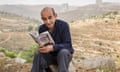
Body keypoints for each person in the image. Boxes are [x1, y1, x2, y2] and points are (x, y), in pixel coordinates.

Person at [31, 7, 74, 72]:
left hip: (63, 57)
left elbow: (68, 45)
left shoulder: (64, 26)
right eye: (45, 19)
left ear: (55, 16)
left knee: (63, 52)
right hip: (50, 57)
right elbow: (44, 45)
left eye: (50, 17)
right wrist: (42, 48)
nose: (48, 22)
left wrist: (53, 47)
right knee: (38, 54)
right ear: (42, 19)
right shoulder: (41, 28)